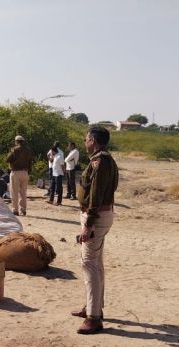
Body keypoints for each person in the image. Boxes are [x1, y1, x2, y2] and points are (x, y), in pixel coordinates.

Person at [72, 126, 118, 335]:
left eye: (86, 139)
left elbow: (96, 195)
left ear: (92, 140)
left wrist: (88, 224)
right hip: (101, 215)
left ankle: (94, 318)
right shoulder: (104, 159)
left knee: (89, 263)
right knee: (96, 263)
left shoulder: (100, 161)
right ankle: (94, 308)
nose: (85, 143)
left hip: (96, 217)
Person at [5, 135, 33, 216]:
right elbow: (30, 162)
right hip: (25, 172)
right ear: (23, 141)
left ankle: (15, 210)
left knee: (14, 192)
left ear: (16, 141)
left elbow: (7, 160)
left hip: (16, 172)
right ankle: (23, 209)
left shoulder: (14, 149)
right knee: (23, 192)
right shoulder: (28, 150)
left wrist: (11, 151)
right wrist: (28, 172)